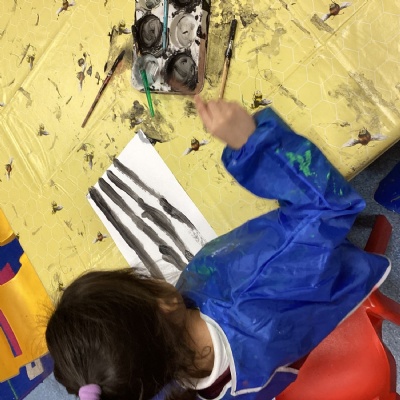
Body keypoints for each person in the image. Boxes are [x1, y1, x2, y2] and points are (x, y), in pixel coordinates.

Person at [46, 96, 391, 400]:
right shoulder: (255, 286)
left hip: (282, 344)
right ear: (164, 302)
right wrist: (254, 145)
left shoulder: (172, 374)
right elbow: (331, 208)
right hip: (327, 279)